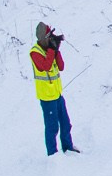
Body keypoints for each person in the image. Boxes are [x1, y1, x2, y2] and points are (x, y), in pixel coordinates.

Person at [30, 22, 77, 156]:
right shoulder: (35, 53)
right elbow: (45, 66)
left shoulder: (50, 49)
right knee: (52, 128)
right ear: (43, 38)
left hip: (57, 94)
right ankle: (53, 155)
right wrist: (52, 50)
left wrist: (57, 50)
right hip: (47, 97)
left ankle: (68, 148)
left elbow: (61, 67)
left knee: (66, 123)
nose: (51, 38)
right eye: (49, 36)